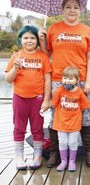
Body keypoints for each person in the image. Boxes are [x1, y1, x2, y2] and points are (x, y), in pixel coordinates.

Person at [38, 0, 90, 167]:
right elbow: (47, 54)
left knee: (85, 117)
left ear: (80, 10)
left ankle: (89, 152)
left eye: (76, 7)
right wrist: (42, 40)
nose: (72, 10)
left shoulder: (86, 30)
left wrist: (87, 81)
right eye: (68, 7)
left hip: (80, 81)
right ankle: (55, 153)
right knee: (55, 117)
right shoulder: (54, 28)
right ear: (62, 10)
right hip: (58, 80)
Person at [5, 25, 52, 170]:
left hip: (37, 98)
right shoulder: (16, 56)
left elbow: (48, 80)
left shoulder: (43, 57)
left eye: (32, 38)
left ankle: (37, 155)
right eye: (26, 38)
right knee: (19, 127)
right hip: (20, 97)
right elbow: (8, 78)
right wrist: (15, 67)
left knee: (37, 128)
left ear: (37, 40)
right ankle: (19, 156)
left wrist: (46, 100)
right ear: (20, 40)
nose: (29, 40)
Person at [50, 66, 90, 171]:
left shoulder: (79, 92)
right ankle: (64, 161)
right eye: (65, 78)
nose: (67, 81)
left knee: (72, 142)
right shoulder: (59, 90)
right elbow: (53, 104)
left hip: (74, 123)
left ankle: (72, 161)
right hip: (60, 123)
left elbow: (85, 106)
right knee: (62, 142)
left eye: (71, 79)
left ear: (77, 80)